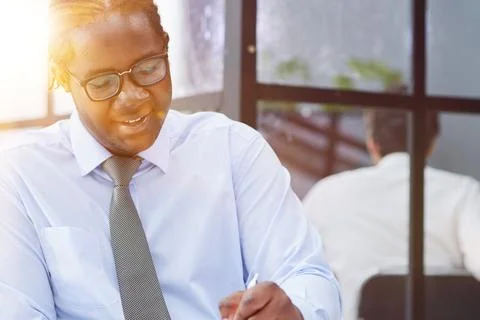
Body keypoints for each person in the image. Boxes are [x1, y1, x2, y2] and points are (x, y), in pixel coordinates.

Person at [0, 1, 342, 319]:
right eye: (102, 84)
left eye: (149, 68)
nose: (133, 98)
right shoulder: (20, 174)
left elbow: (305, 273)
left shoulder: (231, 148)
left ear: (166, 46)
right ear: (61, 77)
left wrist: (295, 311)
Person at [303, 106, 480, 320]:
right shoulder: (463, 192)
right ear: (431, 144)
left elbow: (297, 279)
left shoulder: (325, 194)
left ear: (372, 143)